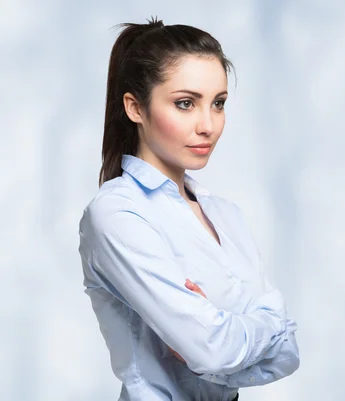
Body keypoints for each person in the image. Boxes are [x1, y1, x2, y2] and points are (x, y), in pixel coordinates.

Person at [78, 17, 300, 401]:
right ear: (135, 108)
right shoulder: (117, 214)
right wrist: (262, 326)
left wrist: (225, 331)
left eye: (218, 104)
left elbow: (288, 353)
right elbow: (215, 350)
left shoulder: (226, 214)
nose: (208, 125)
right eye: (185, 104)